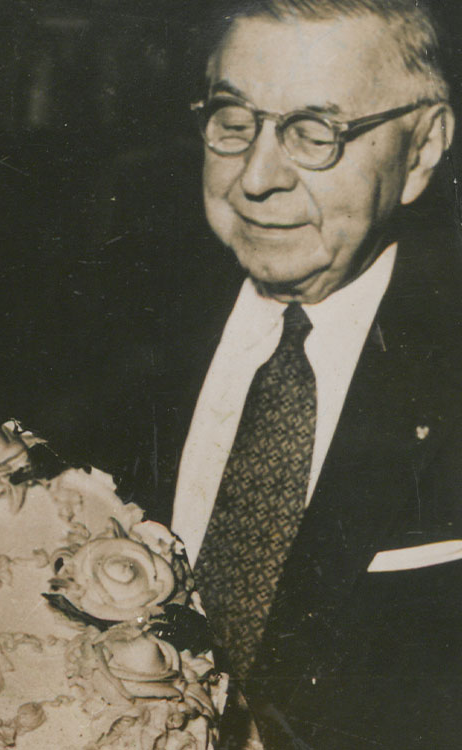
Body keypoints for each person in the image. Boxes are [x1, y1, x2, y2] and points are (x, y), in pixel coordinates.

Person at [79, 1, 462, 748]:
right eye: (232, 120)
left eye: (315, 133)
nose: (256, 178)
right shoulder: (117, 306)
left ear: (422, 150)